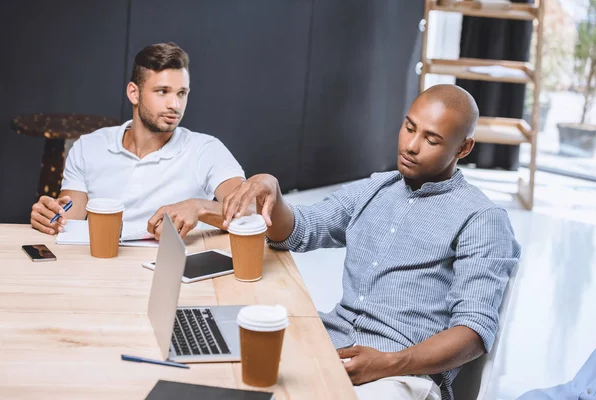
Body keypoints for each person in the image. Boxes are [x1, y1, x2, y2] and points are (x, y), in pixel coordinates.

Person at [221, 84, 522, 400]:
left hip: (398, 378)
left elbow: (474, 331)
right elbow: (301, 229)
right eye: (408, 128)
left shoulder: (482, 218)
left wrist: (388, 364)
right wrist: (274, 193)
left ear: (463, 148)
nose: (411, 146)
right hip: (331, 345)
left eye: (431, 139)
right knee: (228, 369)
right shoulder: (376, 188)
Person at [30, 42, 245, 239]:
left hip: (171, 271)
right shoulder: (88, 147)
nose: (175, 105)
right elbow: (69, 219)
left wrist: (199, 207)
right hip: (102, 265)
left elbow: (251, 211)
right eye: (162, 91)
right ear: (134, 93)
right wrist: (51, 215)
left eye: (182, 93)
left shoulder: (206, 150)